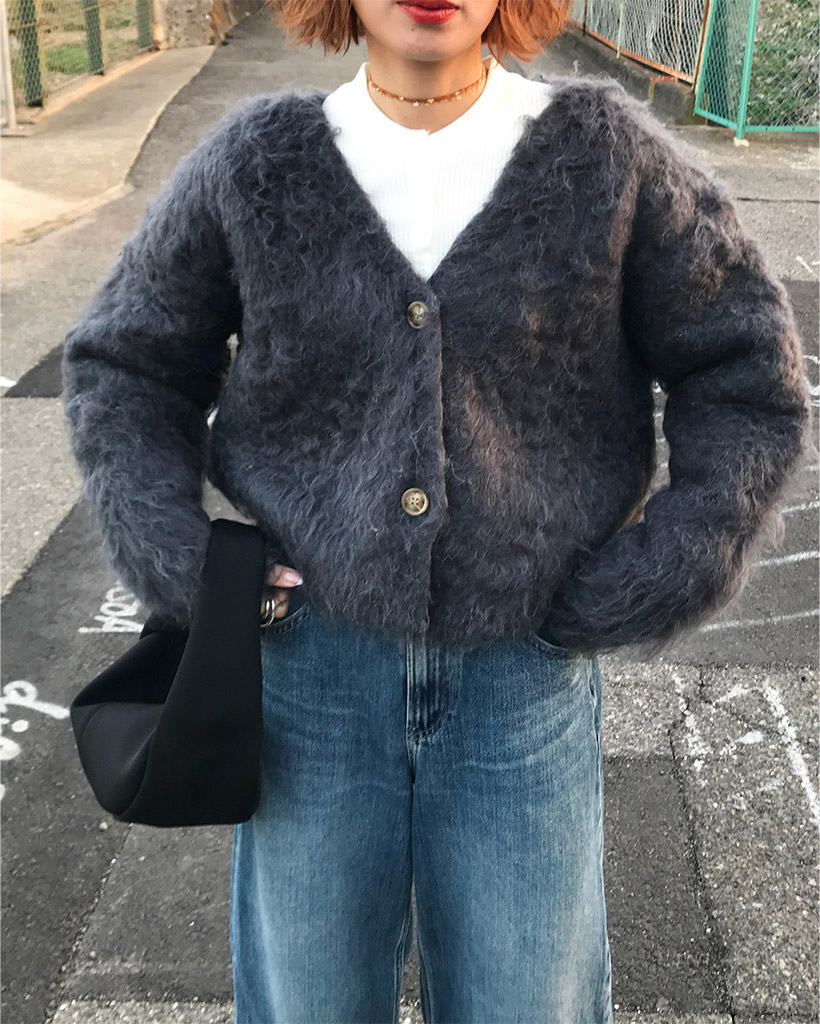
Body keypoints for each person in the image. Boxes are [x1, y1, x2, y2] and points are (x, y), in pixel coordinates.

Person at [60, 0, 812, 1021]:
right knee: (309, 1002)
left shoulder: (610, 160)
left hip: (522, 681)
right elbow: (126, 363)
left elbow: (743, 370)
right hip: (307, 679)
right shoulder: (255, 164)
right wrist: (186, 561)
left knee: (526, 999)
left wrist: (660, 568)